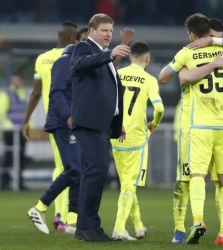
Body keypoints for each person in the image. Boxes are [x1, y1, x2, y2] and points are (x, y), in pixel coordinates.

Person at [158, 14, 223, 244]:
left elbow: (163, 77)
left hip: (198, 125)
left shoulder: (187, 53)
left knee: (193, 177)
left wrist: (186, 70)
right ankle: (222, 231)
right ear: (209, 33)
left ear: (192, 34)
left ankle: (198, 221)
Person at [70, 13, 130, 243]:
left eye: (111, 32)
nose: (108, 35)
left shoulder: (102, 56)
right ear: (92, 30)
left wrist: (116, 120)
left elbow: (109, 91)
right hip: (89, 123)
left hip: (102, 124)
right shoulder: (83, 48)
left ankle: (90, 227)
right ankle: (86, 226)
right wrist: (110, 54)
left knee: (95, 173)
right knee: (96, 170)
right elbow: (82, 64)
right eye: (104, 30)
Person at [27, 28, 88, 235]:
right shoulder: (64, 61)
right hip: (64, 122)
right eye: (87, 39)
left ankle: (72, 220)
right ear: (76, 40)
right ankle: (40, 208)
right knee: (71, 169)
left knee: (79, 169)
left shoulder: (80, 61)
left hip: (75, 122)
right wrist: (68, 116)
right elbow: (56, 93)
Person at [111, 41, 164, 240]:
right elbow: (159, 109)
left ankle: (139, 225)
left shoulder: (118, 75)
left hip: (116, 135)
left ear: (129, 57)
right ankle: (118, 228)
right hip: (136, 138)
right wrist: (155, 124)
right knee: (129, 185)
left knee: (126, 183)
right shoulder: (149, 79)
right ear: (147, 59)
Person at [0, 75, 27, 190]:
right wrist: (10, 126)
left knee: (21, 156)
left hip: (21, 130)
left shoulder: (23, 93)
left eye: (18, 80)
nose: (16, 82)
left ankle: (19, 183)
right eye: (14, 80)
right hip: (10, 131)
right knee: (9, 156)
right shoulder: (6, 93)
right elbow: (2, 113)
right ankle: (5, 182)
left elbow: (25, 112)